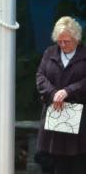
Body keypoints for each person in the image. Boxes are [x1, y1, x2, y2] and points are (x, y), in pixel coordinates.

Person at [36, 16, 86, 174]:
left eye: (67, 41)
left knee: (74, 163)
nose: (63, 45)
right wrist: (53, 93)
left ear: (77, 39)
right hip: (53, 116)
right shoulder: (50, 52)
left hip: (78, 120)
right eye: (59, 41)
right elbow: (40, 77)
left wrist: (68, 91)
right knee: (50, 162)